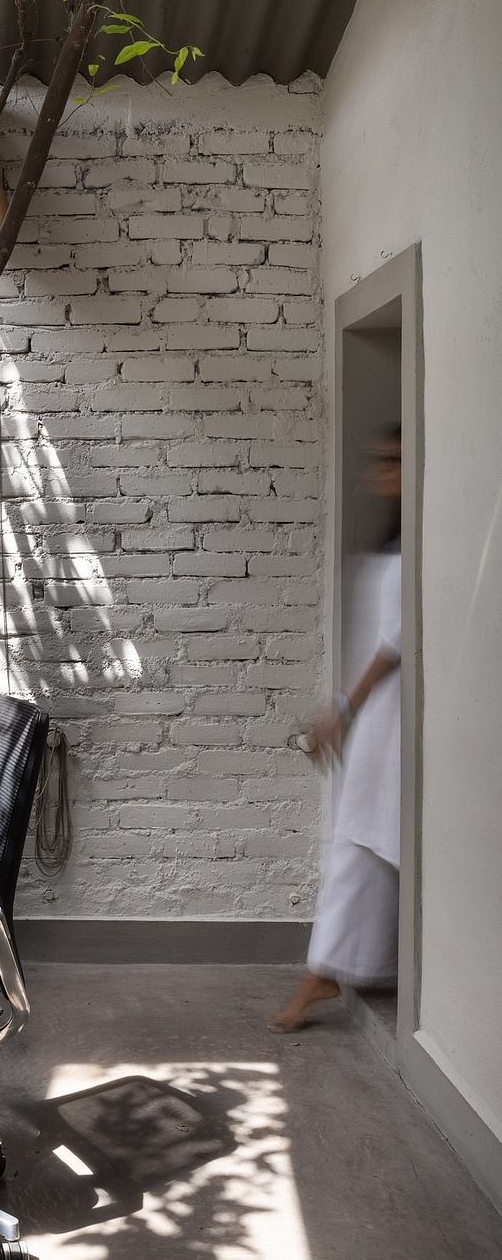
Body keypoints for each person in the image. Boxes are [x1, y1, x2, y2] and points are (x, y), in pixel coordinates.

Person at [271, 424, 402, 1033]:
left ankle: (325, 971)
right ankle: (329, 968)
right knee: (361, 841)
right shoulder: (394, 542)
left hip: (393, 718)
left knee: (366, 843)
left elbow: (393, 646)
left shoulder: (414, 549)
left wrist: (343, 711)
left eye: (395, 460)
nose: (381, 470)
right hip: (380, 719)